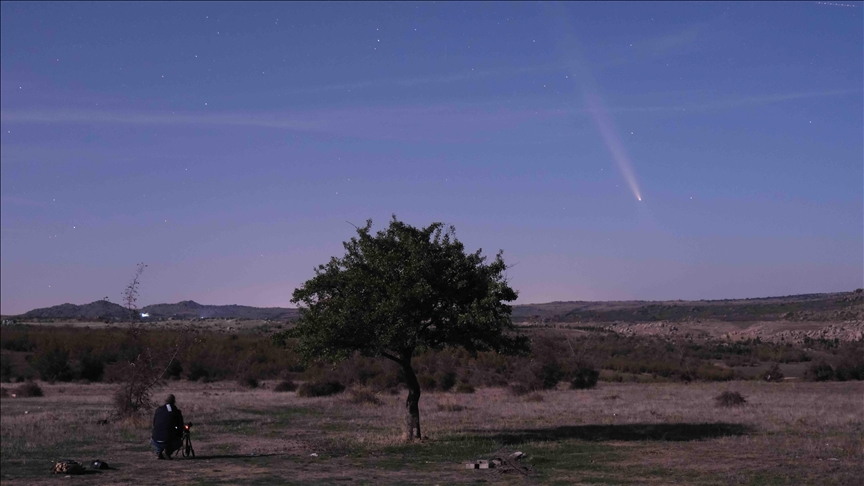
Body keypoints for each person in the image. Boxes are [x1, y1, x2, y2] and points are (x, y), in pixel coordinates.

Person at [151, 394, 185, 460]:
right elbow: (180, 426)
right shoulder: (176, 412)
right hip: (168, 439)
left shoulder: (158, 410)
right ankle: (168, 452)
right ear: (174, 401)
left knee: (161, 434)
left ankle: (159, 452)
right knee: (178, 442)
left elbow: (154, 424)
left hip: (155, 439)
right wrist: (178, 434)